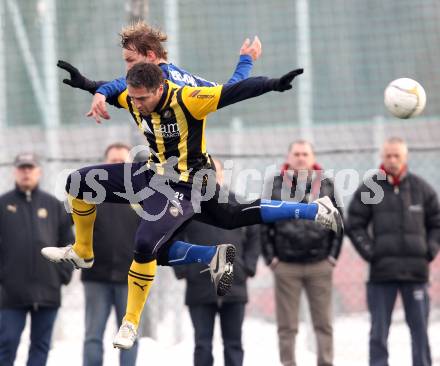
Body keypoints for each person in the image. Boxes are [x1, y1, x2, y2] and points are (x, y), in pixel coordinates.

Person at [41, 62, 342, 352]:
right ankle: (83, 251)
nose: (137, 104)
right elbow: (110, 88)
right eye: (133, 97)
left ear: (160, 87)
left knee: (149, 244)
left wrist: (272, 84)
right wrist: (85, 85)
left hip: (186, 184)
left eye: (143, 98)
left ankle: (131, 322)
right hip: (150, 173)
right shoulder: (131, 94)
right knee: (78, 183)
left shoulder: (188, 98)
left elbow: (234, 91)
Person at [346, 137, 440, 366]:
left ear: (405, 157)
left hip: (415, 274)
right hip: (382, 274)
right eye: (388, 155)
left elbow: (437, 222)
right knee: (379, 332)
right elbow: (354, 223)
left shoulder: (421, 188)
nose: (392, 160)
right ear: (382, 157)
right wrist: (372, 252)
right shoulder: (370, 188)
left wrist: (429, 250)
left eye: (397, 155)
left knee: (419, 332)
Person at [56, 21, 262, 123]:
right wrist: (245, 62)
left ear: (151, 56)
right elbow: (229, 90)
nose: (128, 67)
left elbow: (120, 85)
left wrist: (100, 92)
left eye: (131, 60)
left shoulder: (161, 77)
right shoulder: (181, 75)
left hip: (179, 172)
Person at [261, 140, 343, 366]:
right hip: (286, 265)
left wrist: (332, 257)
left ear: (313, 157)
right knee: (287, 326)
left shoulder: (326, 184)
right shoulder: (275, 184)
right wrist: (271, 259)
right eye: (296, 153)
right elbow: (263, 223)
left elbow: (338, 220)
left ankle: (325, 362)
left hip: (320, 264)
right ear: (289, 157)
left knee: (323, 323)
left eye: (305, 153)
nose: (300, 158)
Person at [173, 159, 260, 366]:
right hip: (199, 284)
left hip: (234, 283)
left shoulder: (238, 202)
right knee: (202, 344)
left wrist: (247, 266)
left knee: (233, 344)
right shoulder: (187, 207)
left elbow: (256, 233)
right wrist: (183, 270)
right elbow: (172, 238)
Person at [0, 153, 74, 366]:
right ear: (15, 171)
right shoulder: (3, 204)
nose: (26, 172)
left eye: (30, 168)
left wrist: (62, 275)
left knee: (41, 347)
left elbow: (68, 243)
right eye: (22, 168)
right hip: (11, 292)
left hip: (48, 290)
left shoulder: (53, 205)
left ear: (38, 171)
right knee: (7, 342)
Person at [81, 143, 141, 366]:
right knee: (93, 336)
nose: (117, 165)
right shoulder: (89, 195)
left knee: (129, 337)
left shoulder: (142, 198)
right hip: (96, 278)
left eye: (121, 161)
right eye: (112, 160)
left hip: (131, 281)